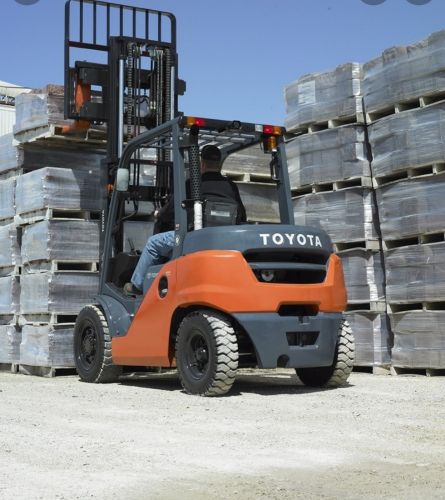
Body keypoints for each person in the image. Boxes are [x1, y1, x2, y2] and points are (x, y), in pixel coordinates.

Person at [123, 144, 247, 295]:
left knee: (153, 243)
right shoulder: (231, 186)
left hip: (195, 238)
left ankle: (137, 285)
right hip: (225, 240)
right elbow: (242, 215)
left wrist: (158, 214)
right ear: (219, 164)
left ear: (201, 163)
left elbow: (171, 210)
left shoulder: (192, 184)